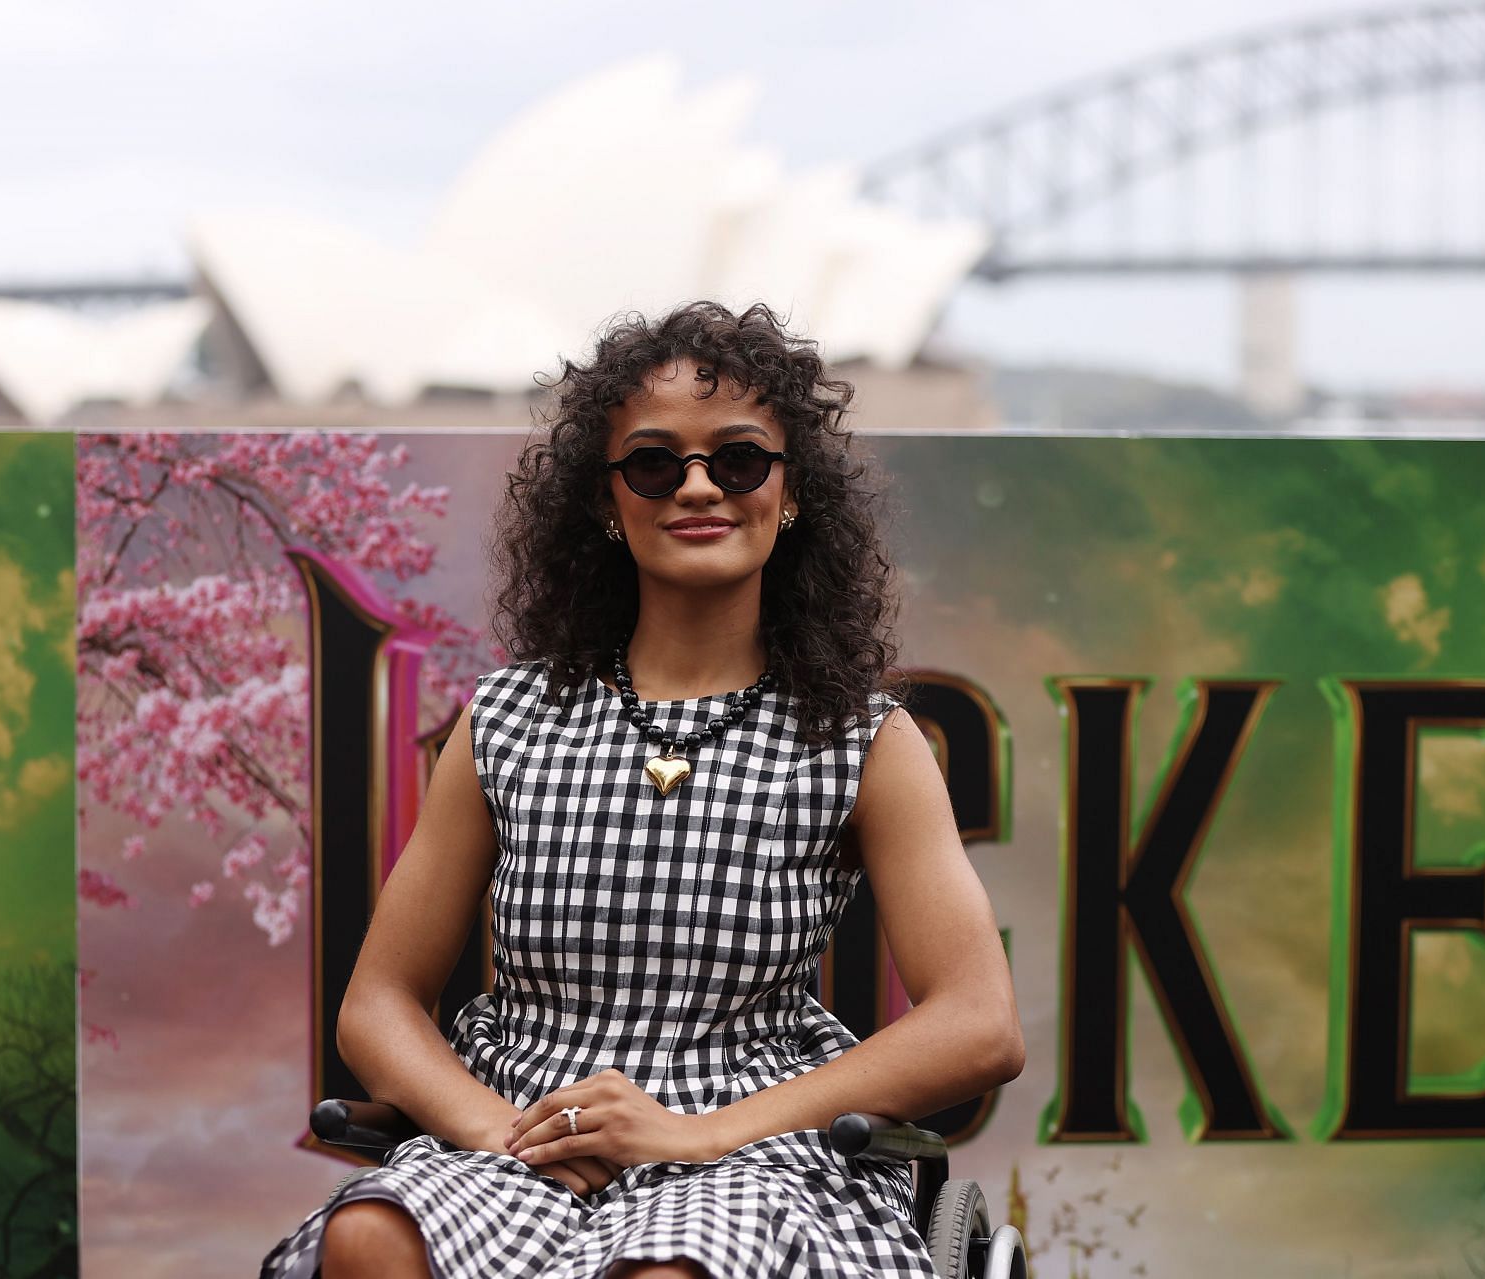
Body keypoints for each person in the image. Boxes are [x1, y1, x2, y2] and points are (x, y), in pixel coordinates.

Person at [259, 301, 1023, 1278]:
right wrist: (495, 1130)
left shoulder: (863, 739)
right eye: (655, 463)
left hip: (747, 1147)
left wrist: (706, 1134)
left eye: (739, 459)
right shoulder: (507, 720)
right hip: (531, 1125)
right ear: (605, 503)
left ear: (789, 496)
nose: (698, 486)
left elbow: (980, 1024)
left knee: (666, 1272)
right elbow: (377, 1006)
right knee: (371, 1236)